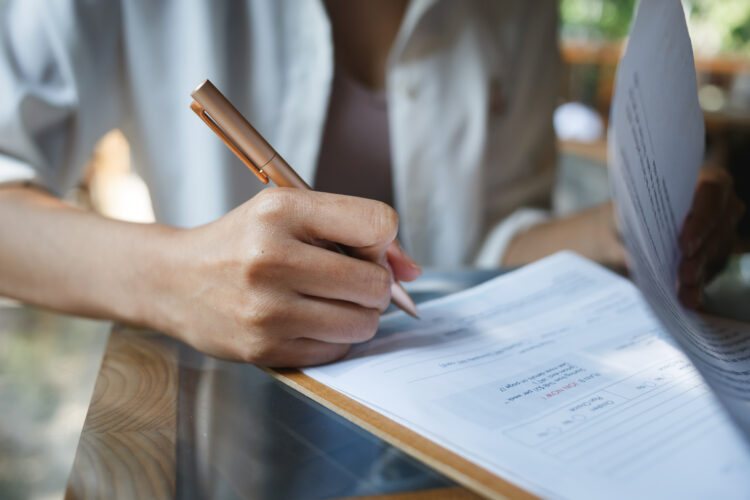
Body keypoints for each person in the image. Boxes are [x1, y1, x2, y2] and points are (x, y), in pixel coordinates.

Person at [0, 0, 742, 366]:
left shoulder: (517, 8)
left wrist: (615, 230)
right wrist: (174, 278)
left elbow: (490, 236)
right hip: (228, 409)